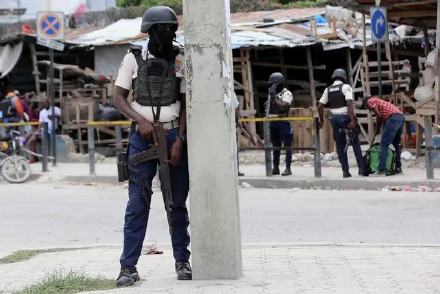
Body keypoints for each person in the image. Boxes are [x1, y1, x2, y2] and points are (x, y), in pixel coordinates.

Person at [113, 6, 191, 287]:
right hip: (142, 137)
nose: (171, 33)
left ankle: (182, 260)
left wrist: (180, 139)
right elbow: (119, 98)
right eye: (166, 29)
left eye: (173, 28)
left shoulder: (180, 59)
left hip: (172, 136)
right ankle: (128, 267)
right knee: (137, 203)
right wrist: (140, 121)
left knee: (177, 202)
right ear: (153, 31)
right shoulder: (133, 58)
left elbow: (185, 105)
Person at [318, 69, 366, 178]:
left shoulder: (328, 89)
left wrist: (321, 120)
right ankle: (362, 170)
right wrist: (352, 120)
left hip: (334, 119)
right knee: (355, 144)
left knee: (340, 146)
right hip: (345, 117)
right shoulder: (346, 87)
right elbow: (349, 103)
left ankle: (345, 172)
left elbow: (320, 106)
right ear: (344, 77)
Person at [361, 96, 404, 176]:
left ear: (365, 103)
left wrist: (377, 129)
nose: (368, 108)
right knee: (396, 143)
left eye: (366, 107)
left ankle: (381, 170)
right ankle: (398, 167)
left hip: (393, 118)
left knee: (383, 144)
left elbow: (379, 116)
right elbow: (383, 118)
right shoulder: (379, 102)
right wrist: (379, 129)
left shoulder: (370, 101)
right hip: (400, 117)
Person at [267, 72, 293, 176]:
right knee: (275, 146)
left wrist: (274, 98)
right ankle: (276, 167)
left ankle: (288, 168)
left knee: (287, 145)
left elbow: (283, 106)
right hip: (273, 121)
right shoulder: (271, 93)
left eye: (275, 84)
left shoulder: (286, 93)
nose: (272, 86)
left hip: (283, 121)